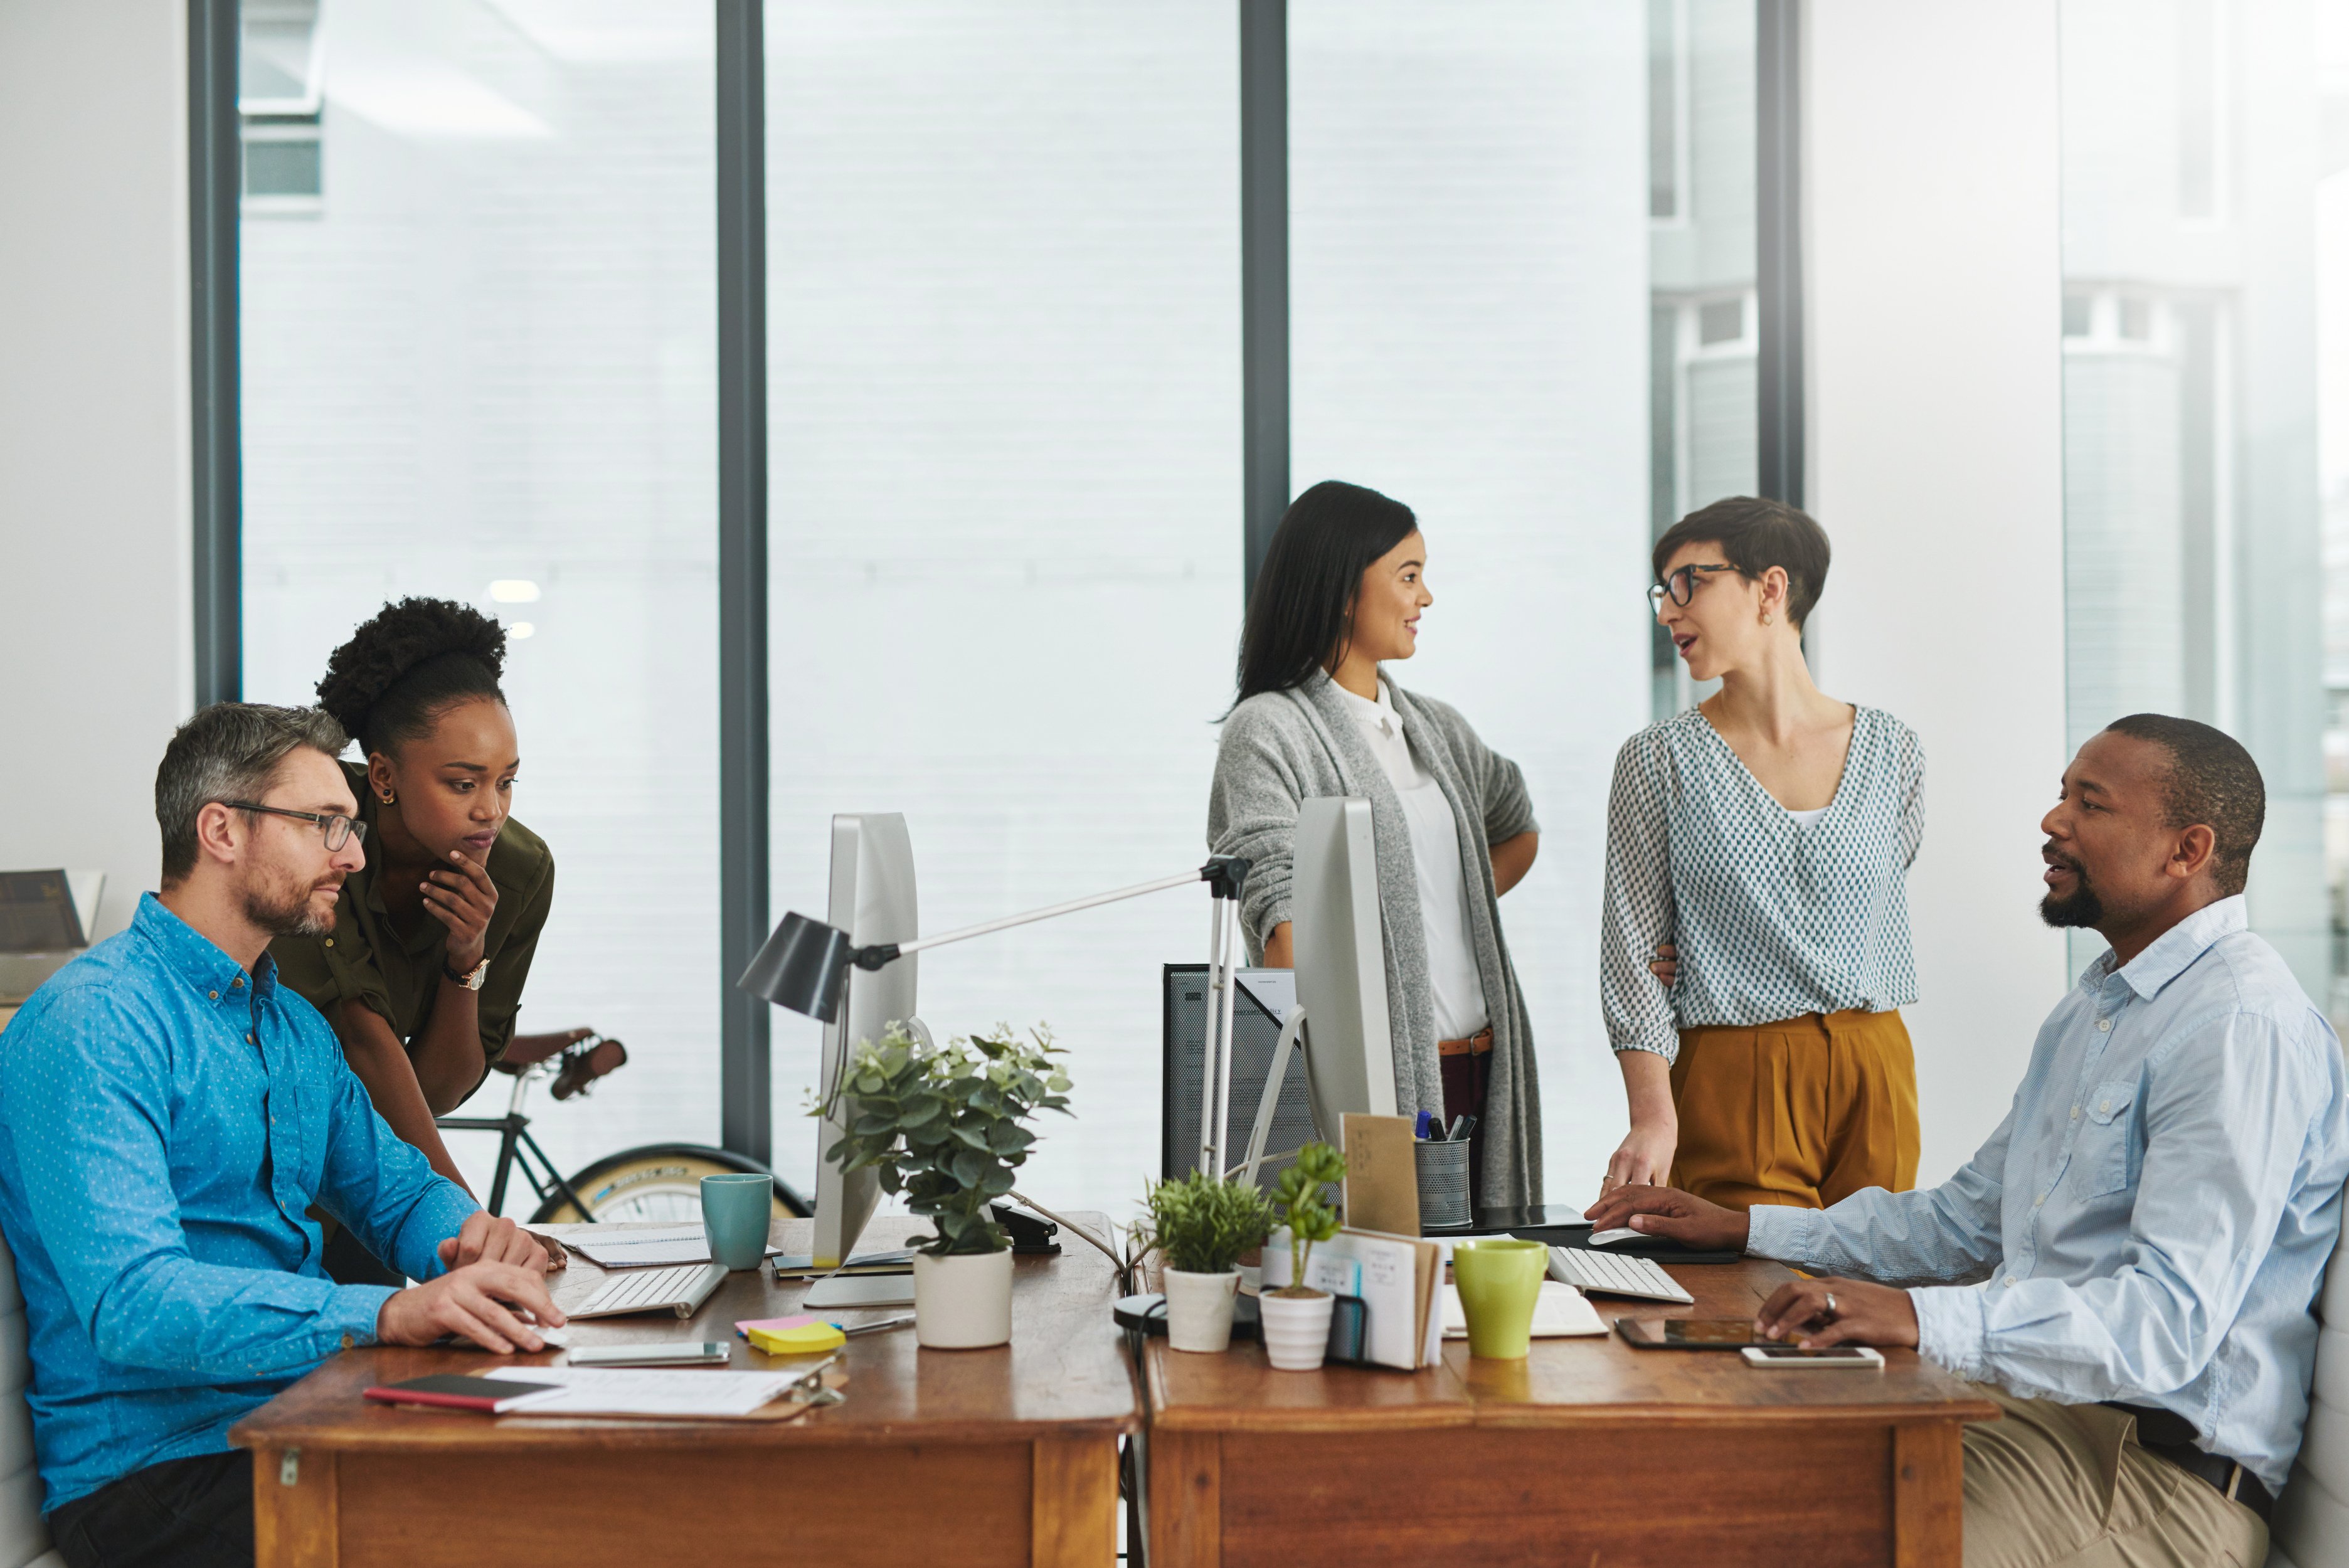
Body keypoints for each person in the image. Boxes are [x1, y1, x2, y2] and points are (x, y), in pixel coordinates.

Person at [1587, 714, 2349, 1567]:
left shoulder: (2239, 1027)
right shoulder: (2096, 1011)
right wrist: (1746, 1227)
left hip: (2155, 1479)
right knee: (1704, 1495)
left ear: (2186, 850)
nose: (2051, 822)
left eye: (2089, 805)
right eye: (2062, 795)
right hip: (2034, 1420)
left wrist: (1917, 1316)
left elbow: (2162, 1325)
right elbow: (1962, 1224)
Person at [0, 702, 569, 1568]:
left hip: (303, 1418)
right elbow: (135, 1307)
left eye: (350, 825)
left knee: (565, 1475)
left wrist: (467, 1244)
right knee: (516, 1528)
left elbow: (398, 1191)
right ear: (222, 831)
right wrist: (383, 1311)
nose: (355, 852)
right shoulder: (95, 1025)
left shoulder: (292, 1027)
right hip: (157, 1481)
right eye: (325, 824)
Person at [1208, 480, 1542, 1205]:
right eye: (1409, 576)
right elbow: (1281, 926)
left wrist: (1441, 900)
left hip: (1484, 1069)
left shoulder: (1438, 727)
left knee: (1476, 1295)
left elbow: (1517, 823)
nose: (1426, 599)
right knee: (1386, 1289)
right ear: (1342, 590)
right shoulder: (1268, 730)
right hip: (1369, 1082)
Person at [1599, 496, 1925, 1210]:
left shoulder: (1892, 752)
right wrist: (1652, 1117)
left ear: (1770, 589)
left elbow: (1865, 903)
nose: (1667, 610)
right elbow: (1631, 958)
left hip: (1876, 1061)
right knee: (1754, 1302)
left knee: (1868, 1297)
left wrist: (1730, 942)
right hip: (1734, 1065)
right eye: (1663, 590)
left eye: (1690, 582)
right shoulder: (1658, 761)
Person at [269, 598, 610, 1279]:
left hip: (379, 1194)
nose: (491, 809)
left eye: (507, 781)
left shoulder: (515, 870)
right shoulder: (319, 837)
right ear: (385, 775)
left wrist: (466, 961)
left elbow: (441, 1090)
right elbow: (362, 1045)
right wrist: (475, 1227)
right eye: (463, 783)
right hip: (281, 1180)